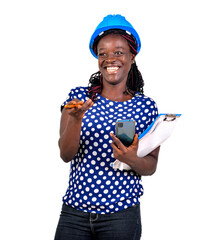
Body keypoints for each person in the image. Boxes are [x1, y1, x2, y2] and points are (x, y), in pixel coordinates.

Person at [54, 14, 160, 240]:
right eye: (103, 53)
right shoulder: (78, 98)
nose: (110, 59)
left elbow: (150, 166)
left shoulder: (145, 107)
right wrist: (75, 119)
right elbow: (65, 154)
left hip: (121, 217)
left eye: (119, 52)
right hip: (74, 214)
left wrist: (131, 159)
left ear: (132, 56)